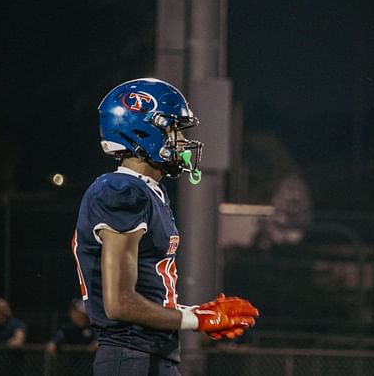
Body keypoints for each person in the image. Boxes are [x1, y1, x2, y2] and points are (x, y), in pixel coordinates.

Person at [72, 78, 259, 376]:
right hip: (131, 357)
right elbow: (119, 303)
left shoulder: (147, 192)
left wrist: (198, 312)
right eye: (173, 131)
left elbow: (147, 296)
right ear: (143, 130)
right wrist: (196, 321)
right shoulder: (120, 191)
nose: (182, 143)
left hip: (148, 355)